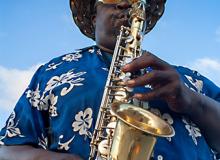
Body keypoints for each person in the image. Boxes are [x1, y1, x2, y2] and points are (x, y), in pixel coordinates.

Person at [0, 0, 220, 159]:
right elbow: (7, 149)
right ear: (94, 16)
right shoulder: (52, 73)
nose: (125, 3)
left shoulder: (190, 80)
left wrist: (192, 100)